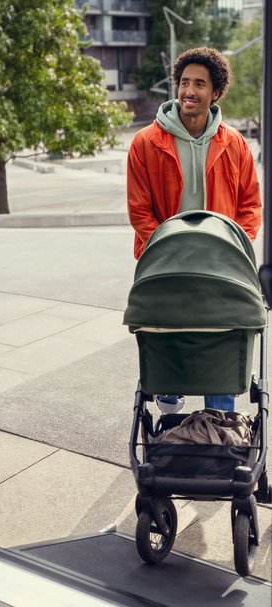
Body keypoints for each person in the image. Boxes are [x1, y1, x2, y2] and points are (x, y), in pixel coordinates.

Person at [127, 46, 261, 415]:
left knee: (219, 339)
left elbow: (250, 204)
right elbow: (139, 210)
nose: (189, 90)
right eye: (185, 82)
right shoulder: (145, 143)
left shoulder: (235, 144)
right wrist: (167, 249)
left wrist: (235, 244)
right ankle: (171, 415)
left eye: (199, 84)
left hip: (221, 265)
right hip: (164, 263)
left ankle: (219, 420)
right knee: (170, 339)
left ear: (215, 92)